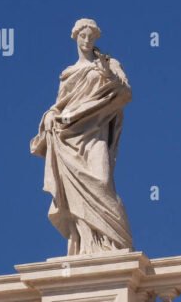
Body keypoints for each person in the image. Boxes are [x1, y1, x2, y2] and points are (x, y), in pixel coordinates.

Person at [31, 18, 133, 254]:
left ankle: (112, 243)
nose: (87, 40)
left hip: (95, 132)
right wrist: (49, 116)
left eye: (91, 36)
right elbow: (60, 106)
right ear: (75, 37)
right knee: (74, 193)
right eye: (83, 36)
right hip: (69, 137)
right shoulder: (68, 73)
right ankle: (86, 246)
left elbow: (125, 92)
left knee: (102, 182)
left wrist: (107, 73)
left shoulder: (108, 64)